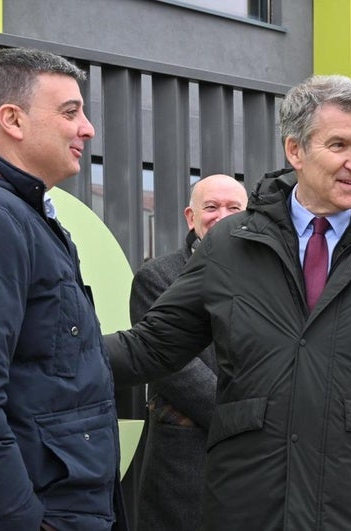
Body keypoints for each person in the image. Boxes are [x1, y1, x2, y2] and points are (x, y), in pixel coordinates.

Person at [105, 74, 351, 530]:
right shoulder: (231, 245)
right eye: (339, 146)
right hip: (249, 508)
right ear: (295, 151)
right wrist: (51, 352)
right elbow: (152, 346)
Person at [0, 48, 126, 530]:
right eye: (70, 112)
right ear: (12, 120)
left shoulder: (20, 215)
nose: (87, 129)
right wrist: (20, 522)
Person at [130, 174, 247, 531]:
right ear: (190, 217)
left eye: (234, 208)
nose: (221, 216)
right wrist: (249, 421)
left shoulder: (271, 278)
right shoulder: (158, 277)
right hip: (185, 465)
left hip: (257, 469)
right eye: (210, 207)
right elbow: (174, 369)